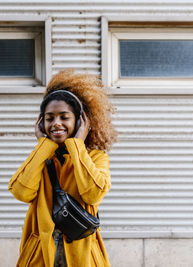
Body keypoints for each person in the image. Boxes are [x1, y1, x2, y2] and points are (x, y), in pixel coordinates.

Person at [8, 69, 117, 267]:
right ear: (41, 122)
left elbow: (93, 194)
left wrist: (77, 146)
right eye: (49, 118)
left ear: (80, 120)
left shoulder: (96, 157)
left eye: (64, 117)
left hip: (82, 256)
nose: (56, 123)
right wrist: (43, 146)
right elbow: (21, 192)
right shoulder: (41, 157)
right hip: (40, 255)